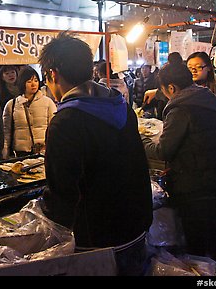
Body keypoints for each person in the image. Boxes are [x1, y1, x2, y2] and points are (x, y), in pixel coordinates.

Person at [37, 32, 153, 276]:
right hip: (136, 231)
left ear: (53, 74)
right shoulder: (121, 107)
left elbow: (63, 195)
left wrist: (40, 213)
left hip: (97, 243)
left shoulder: (66, 122)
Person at [141, 60, 216, 263]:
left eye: (165, 90)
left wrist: (141, 139)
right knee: (214, 239)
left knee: (197, 247)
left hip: (199, 185)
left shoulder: (180, 109)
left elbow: (163, 150)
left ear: (172, 88)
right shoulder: (206, 98)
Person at [2, 65, 56, 158]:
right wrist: (5, 153)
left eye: (35, 80)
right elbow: (6, 132)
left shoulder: (48, 102)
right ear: (22, 83)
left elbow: (54, 128)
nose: (33, 84)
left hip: (43, 151)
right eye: (29, 81)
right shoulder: (12, 104)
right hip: (20, 153)